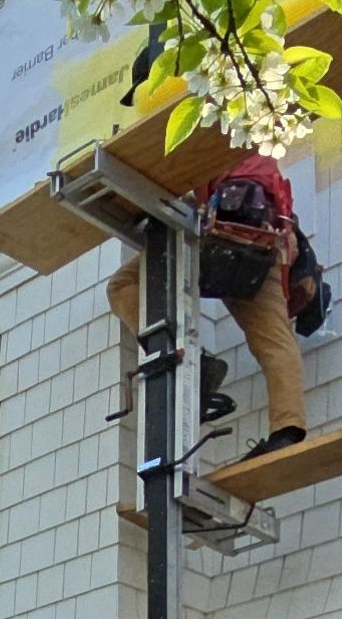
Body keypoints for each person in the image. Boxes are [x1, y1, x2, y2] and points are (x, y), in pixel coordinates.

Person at [104, 148, 320, 464]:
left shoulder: (202, 138)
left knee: (122, 285)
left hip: (228, 236)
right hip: (263, 240)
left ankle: (182, 357)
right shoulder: (252, 147)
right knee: (274, 341)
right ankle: (286, 431)